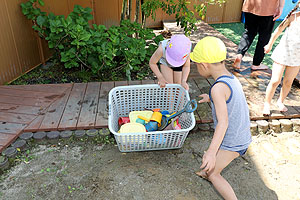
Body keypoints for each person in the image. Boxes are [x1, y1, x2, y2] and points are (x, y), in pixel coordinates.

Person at [190, 36, 252, 200]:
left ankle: (211, 174)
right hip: (240, 134)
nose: (197, 68)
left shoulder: (218, 88)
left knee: (214, 174)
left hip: (233, 141)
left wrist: (210, 152)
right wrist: (210, 97)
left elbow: (223, 123)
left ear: (204, 65)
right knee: (212, 164)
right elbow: (227, 96)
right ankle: (206, 169)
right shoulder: (230, 78)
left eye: (197, 65)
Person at [263, 1, 300, 116]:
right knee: (275, 80)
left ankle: (280, 101)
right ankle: (267, 104)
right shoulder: (293, 17)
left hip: (297, 57)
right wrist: (269, 44)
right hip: (283, 53)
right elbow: (278, 30)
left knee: (288, 82)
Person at [233, 0, 285, 70]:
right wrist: (281, 7)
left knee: (249, 32)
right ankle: (256, 64)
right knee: (264, 36)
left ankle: (240, 54)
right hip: (269, 9)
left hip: (250, 6)